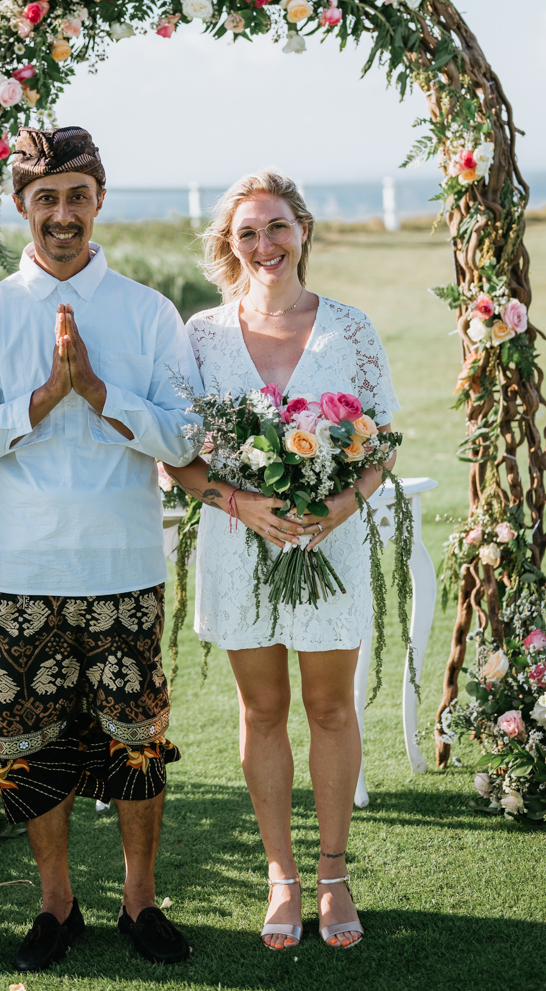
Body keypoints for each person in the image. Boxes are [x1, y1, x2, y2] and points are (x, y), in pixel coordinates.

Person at [0, 126, 200, 972]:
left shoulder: (148, 311)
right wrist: (45, 398)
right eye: (45, 198)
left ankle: (139, 902)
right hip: (25, 569)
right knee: (30, 744)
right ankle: (57, 905)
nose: (61, 214)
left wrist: (101, 392)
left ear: (100, 201)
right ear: (21, 205)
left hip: (124, 562)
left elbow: (187, 437)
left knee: (136, 743)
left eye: (77, 196)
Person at [164, 169, 400, 952]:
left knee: (330, 709)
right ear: (229, 245)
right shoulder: (201, 336)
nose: (264, 244)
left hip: (332, 544)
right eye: (247, 232)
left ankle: (333, 875)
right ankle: (281, 875)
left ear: (302, 230)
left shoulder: (350, 329)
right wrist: (240, 504)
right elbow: (175, 458)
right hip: (240, 547)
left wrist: (340, 506)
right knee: (261, 710)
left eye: (276, 227)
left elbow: (383, 444)